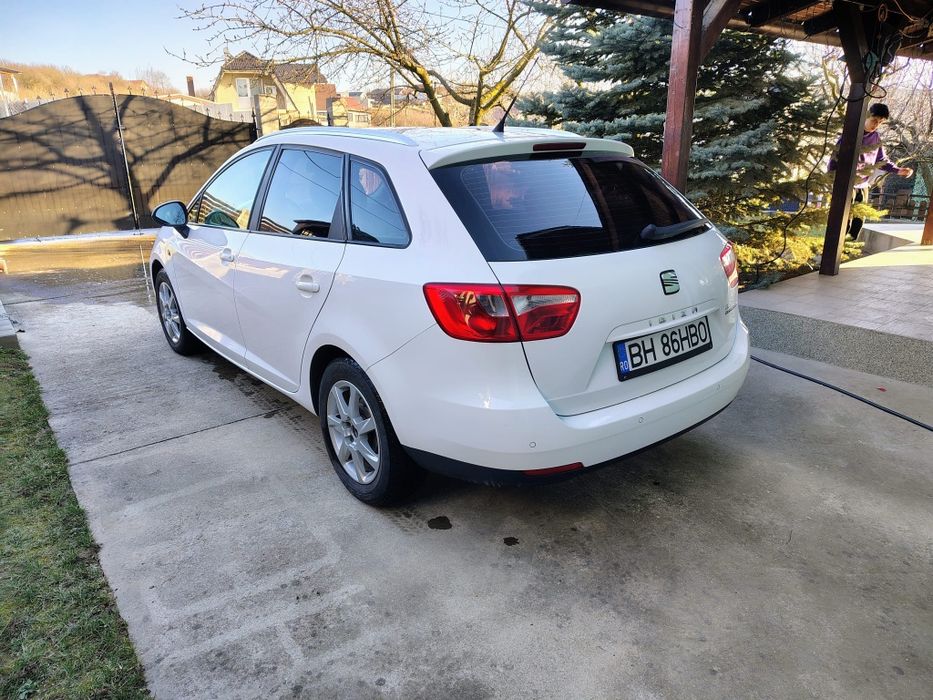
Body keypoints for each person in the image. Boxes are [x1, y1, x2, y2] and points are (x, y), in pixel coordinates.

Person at [828, 103, 914, 240]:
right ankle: (836, 247)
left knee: (859, 221)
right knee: (843, 220)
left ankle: (850, 246)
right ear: (867, 116)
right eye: (874, 120)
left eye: (880, 122)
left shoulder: (876, 138)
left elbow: (882, 160)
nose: (876, 125)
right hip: (846, 184)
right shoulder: (850, 134)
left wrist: (898, 170)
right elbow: (834, 159)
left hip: (863, 184)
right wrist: (832, 179)